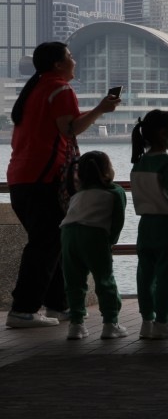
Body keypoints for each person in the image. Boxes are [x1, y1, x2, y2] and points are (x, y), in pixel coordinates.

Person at [6, 42, 120, 329]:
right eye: (70, 56)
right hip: (43, 179)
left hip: (21, 177)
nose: (74, 61)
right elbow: (69, 128)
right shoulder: (60, 89)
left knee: (51, 242)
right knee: (45, 245)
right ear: (58, 64)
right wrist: (101, 110)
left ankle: (59, 305)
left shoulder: (36, 88)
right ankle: (23, 310)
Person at [130, 109, 168, 340]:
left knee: (145, 276)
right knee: (167, 275)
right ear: (164, 133)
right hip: (167, 226)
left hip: (145, 226)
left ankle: (147, 321)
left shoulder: (139, 164)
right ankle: (163, 321)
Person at [59, 150, 127, 340]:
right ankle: (110, 324)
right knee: (104, 280)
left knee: (74, 282)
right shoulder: (115, 191)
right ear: (107, 170)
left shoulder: (77, 195)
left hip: (68, 234)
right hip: (94, 235)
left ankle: (76, 325)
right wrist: (110, 243)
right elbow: (117, 222)